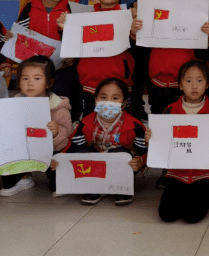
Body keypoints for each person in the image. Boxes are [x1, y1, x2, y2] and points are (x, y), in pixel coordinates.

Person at [148, 60, 209, 223]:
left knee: (192, 216)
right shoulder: (169, 112)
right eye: (188, 81)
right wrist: (151, 139)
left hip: (204, 176)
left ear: (207, 84)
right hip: (176, 174)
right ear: (180, 85)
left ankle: (208, 193)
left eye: (199, 80)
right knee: (166, 215)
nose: (194, 86)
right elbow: (161, 146)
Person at [52, 78, 146, 206]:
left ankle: (121, 189)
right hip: (95, 166)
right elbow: (73, 145)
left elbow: (144, 149)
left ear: (124, 103)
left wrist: (140, 160)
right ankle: (93, 188)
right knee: (83, 151)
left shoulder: (135, 125)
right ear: (96, 100)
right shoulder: (86, 123)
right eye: (103, 97)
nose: (108, 102)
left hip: (120, 168)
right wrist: (60, 159)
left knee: (122, 153)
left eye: (115, 98)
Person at [0, 56, 72, 196]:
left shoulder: (58, 106)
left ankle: (61, 180)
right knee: (4, 165)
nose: (30, 83)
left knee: (58, 181)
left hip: (51, 152)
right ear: (19, 82)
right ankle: (24, 178)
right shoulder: (12, 105)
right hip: (21, 150)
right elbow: (4, 140)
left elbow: (67, 137)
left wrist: (57, 132)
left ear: (49, 83)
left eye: (37, 78)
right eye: (25, 78)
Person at [59, 0, 135, 120]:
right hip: (89, 82)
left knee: (120, 123)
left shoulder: (129, 17)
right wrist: (65, 29)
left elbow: (137, 47)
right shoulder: (84, 18)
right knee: (89, 121)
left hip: (118, 83)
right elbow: (74, 46)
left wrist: (134, 31)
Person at [141, 0, 209, 118]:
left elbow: (204, 55)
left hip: (187, 84)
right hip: (158, 82)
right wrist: (135, 31)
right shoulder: (153, 14)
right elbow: (142, 47)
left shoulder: (200, 18)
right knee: (159, 120)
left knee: (185, 123)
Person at [16, 0, 79, 108]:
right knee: (36, 104)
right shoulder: (30, 7)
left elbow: (78, 38)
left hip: (63, 69)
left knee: (60, 104)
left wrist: (74, 57)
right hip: (36, 69)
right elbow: (20, 34)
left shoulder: (71, 10)